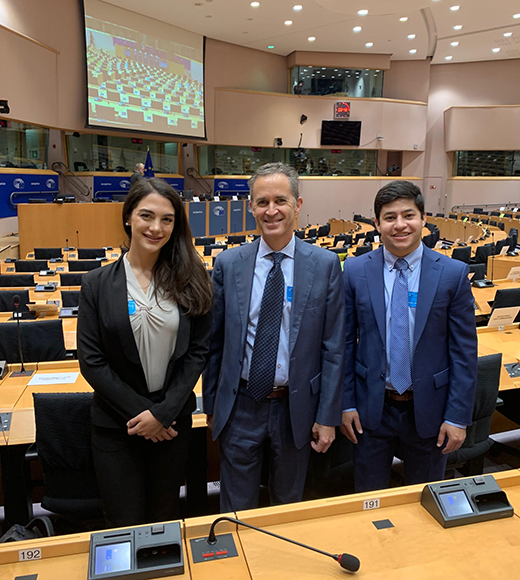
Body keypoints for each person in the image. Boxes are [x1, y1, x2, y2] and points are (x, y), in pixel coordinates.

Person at [203, 162, 345, 512]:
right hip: (241, 404)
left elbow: (334, 348)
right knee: (236, 505)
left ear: (297, 205)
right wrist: (212, 407)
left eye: (280, 200)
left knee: (288, 503)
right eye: (261, 202)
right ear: (250, 207)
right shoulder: (229, 264)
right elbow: (213, 343)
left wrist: (327, 416)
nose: (271, 210)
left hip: (296, 407)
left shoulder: (325, 264)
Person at [77, 178, 213, 527]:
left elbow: (197, 352)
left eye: (167, 219)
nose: (156, 227)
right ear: (128, 218)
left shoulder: (192, 278)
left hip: (171, 426)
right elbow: (92, 362)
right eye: (147, 216)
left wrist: (164, 413)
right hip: (115, 425)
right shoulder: (97, 284)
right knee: (124, 519)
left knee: (164, 516)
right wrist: (145, 416)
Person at [341, 180, 478, 492]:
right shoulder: (355, 270)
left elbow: (464, 353)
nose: (400, 225)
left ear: (423, 218)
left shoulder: (452, 274)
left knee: (425, 501)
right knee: (368, 499)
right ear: (376, 223)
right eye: (390, 217)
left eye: (408, 215)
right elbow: (345, 344)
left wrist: (458, 417)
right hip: (370, 408)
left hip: (430, 409)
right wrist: (346, 403)